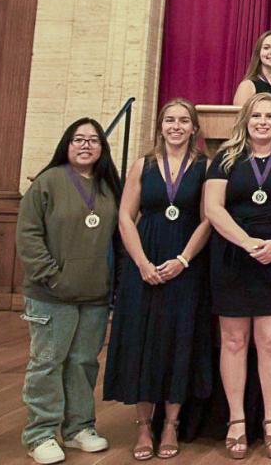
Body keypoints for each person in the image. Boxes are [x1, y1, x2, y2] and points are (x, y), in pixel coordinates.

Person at [203, 93, 271, 459]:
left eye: (270, 116)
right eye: (256, 116)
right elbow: (213, 209)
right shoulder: (225, 158)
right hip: (234, 256)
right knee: (233, 342)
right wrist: (248, 242)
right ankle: (236, 421)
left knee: (270, 342)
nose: (262, 122)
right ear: (245, 120)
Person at [105, 100, 213, 461]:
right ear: (160, 126)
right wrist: (141, 263)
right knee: (143, 339)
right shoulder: (143, 165)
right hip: (144, 263)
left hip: (185, 262)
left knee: (179, 339)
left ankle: (171, 424)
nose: (177, 126)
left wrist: (183, 260)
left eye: (184, 120)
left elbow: (208, 219)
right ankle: (142, 426)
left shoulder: (204, 167)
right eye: (170, 120)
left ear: (194, 128)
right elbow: (124, 216)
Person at [17, 118, 121, 465]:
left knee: (82, 363)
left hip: (94, 295)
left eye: (94, 140)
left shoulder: (109, 187)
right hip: (52, 294)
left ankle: (78, 428)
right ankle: (40, 433)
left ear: (102, 149)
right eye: (79, 139)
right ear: (67, 144)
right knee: (47, 363)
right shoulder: (48, 182)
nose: (86, 145)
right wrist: (52, 276)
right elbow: (29, 236)